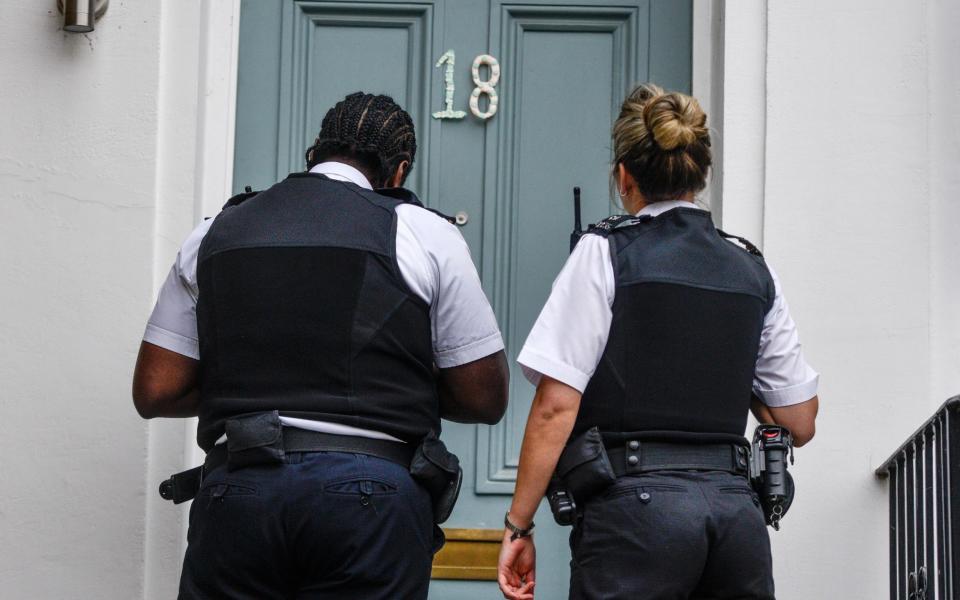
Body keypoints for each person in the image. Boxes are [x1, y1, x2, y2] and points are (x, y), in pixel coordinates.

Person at [132, 92, 509, 599]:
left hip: (240, 492)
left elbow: (155, 390)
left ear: (313, 154)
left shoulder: (214, 233)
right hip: (369, 501)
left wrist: (268, 381)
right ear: (398, 173)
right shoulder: (425, 233)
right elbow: (485, 397)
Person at [497, 84, 819, 600]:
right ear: (700, 174)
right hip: (737, 520)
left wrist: (519, 524)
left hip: (634, 520)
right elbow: (799, 422)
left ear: (624, 175)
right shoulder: (753, 268)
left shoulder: (604, 253)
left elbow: (556, 407)